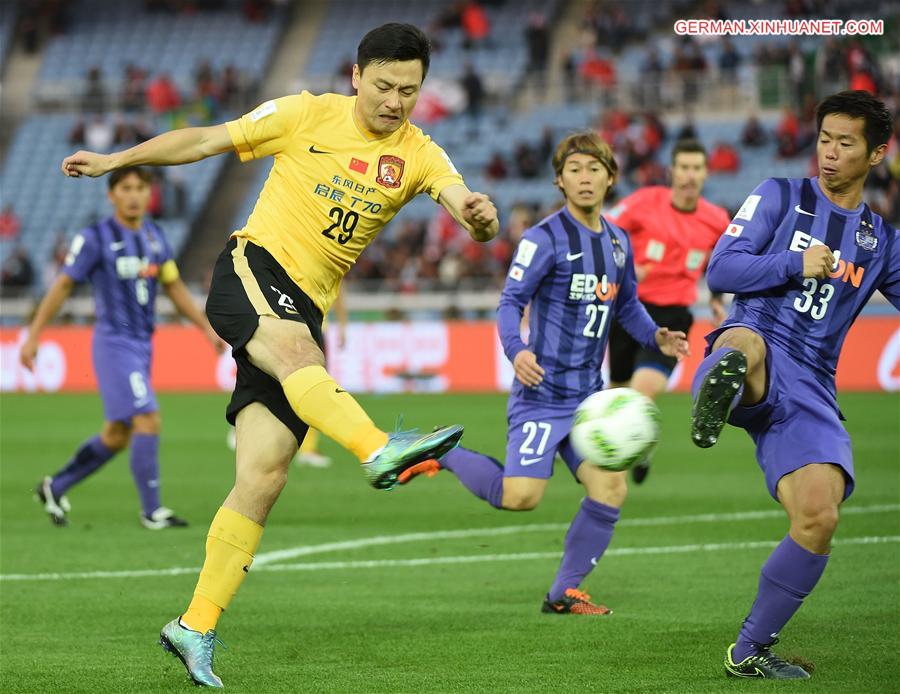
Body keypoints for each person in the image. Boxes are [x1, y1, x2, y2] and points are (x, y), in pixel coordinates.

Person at [60, 23, 498, 688]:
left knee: (262, 478)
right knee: (298, 356)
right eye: (383, 85)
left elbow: (458, 198)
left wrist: (477, 214)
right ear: (357, 76)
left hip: (304, 308)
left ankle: (194, 626)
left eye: (408, 90)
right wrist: (120, 159)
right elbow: (206, 140)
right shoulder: (304, 114)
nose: (394, 101)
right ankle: (377, 447)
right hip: (251, 270)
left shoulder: (420, 153)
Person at [399, 132, 688, 615]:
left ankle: (564, 592)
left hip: (588, 402)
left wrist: (655, 336)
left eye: (594, 169)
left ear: (610, 177)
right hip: (541, 395)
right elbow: (511, 302)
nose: (585, 178)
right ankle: (444, 451)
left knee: (610, 487)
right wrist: (516, 351)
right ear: (559, 180)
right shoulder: (543, 239)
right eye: (574, 170)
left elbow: (628, 305)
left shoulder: (618, 243)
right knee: (520, 497)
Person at [690, 90, 896, 679]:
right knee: (742, 345)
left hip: (812, 388)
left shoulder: (881, 242)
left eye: (845, 143)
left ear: (876, 153)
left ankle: (749, 651)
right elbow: (722, 269)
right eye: (824, 139)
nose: (829, 153)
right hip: (759, 339)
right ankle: (717, 395)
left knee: (819, 516)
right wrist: (794, 263)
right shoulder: (781, 195)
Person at [20, 166, 222, 529]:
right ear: (111, 195)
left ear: (150, 194)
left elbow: (174, 287)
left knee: (117, 433)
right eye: (125, 188)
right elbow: (64, 285)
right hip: (113, 343)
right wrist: (34, 334)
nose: (133, 195)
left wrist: (205, 328)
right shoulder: (96, 237)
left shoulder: (156, 237)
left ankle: (56, 485)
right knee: (148, 417)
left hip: (143, 344)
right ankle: (152, 511)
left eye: (140, 188)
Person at [606, 139, 731, 484]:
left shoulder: (715, 219)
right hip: (629, 310)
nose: (690, 175)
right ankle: (638, 446)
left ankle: (625, 455)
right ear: (672, 171)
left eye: (697, 168)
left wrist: (717, 299)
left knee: (641, 392)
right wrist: (626, 266)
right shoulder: (645, 202)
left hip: (674, 316)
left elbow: (723, 264)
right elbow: (604, 228)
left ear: (705, 173)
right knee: (615, 393)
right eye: (684, 167)